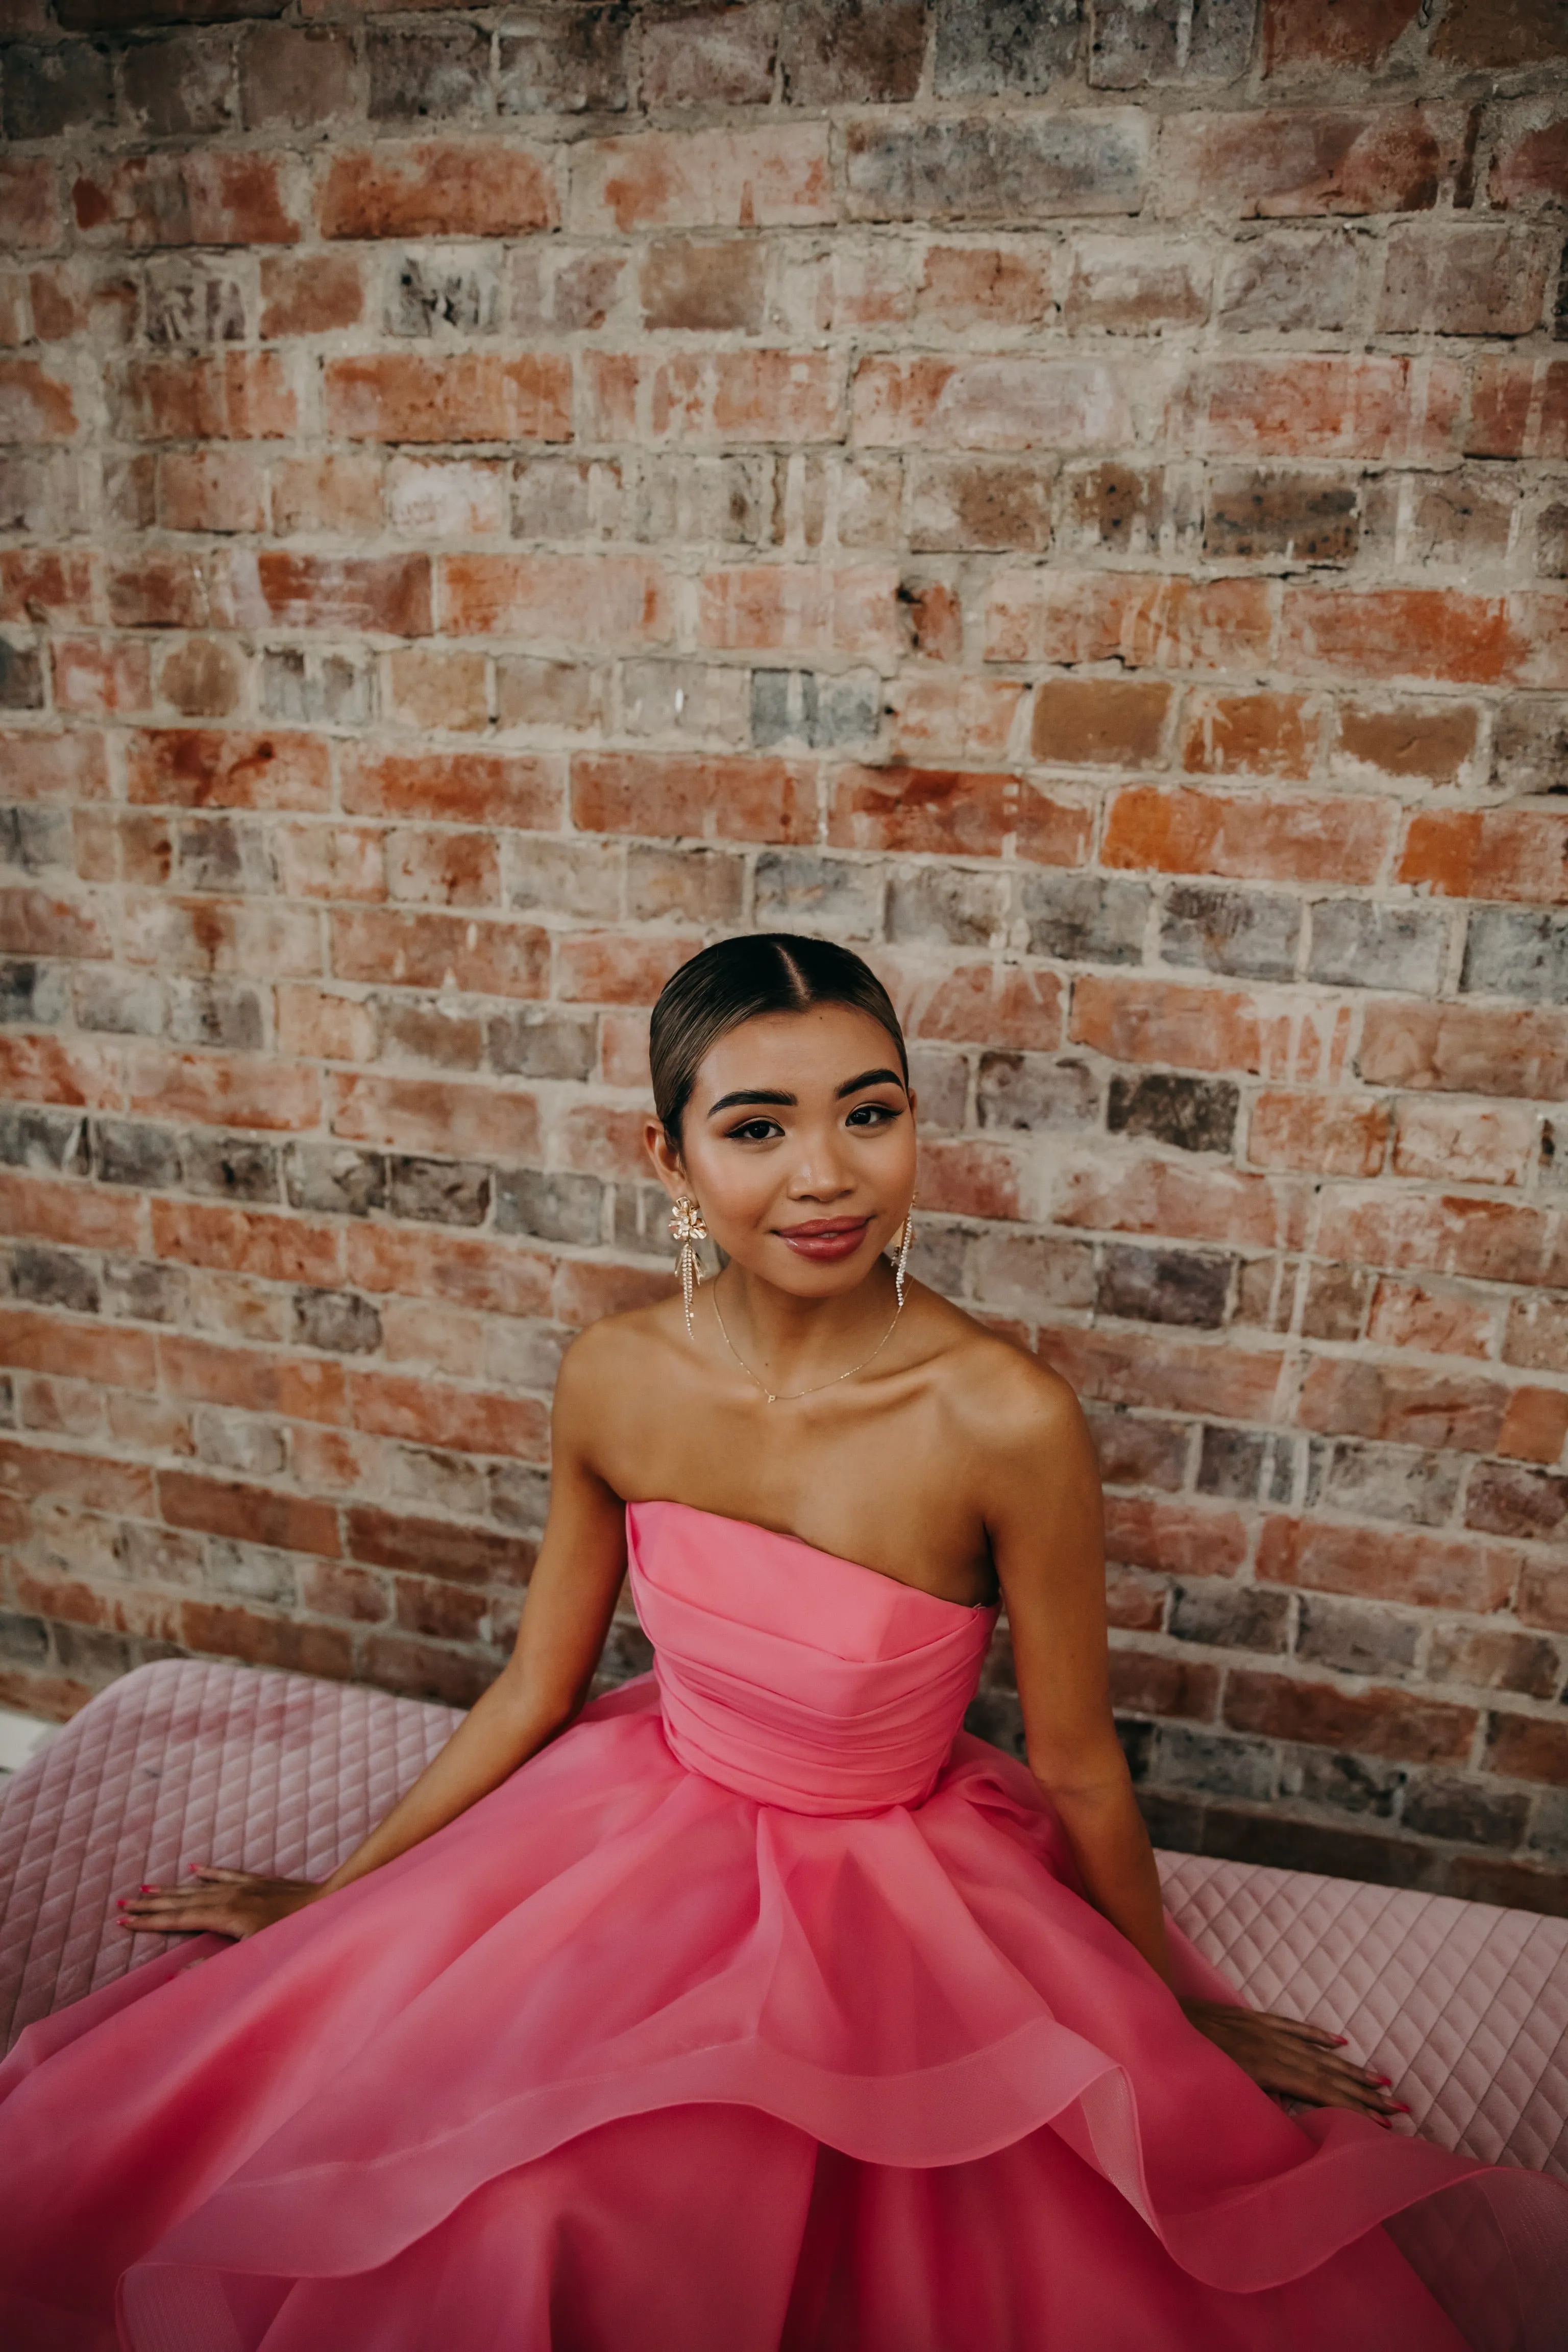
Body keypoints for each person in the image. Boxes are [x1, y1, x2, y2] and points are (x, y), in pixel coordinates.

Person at [0, 932, 1562, 2352]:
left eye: (869, 1113)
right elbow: (541, 1684)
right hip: (623, 1842)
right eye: (758, 1128)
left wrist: (1175, 2018)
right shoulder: (616, 1376)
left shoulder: (1003, 1418)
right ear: (669, 1157)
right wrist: (331, 1904)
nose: (829, 1175)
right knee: (473, 2193)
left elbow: (1081, 1766)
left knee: (665, 2220)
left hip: (893, 1886)